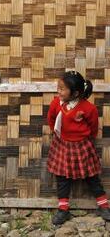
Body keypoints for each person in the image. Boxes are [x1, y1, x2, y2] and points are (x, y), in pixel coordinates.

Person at [47, 70, 110, 225]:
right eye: (58, 87)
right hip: (62, 144)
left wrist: (86, 140)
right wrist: (57, 134)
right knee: (62, 178)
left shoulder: (88, 108)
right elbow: (51, 118)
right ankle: (63, 210)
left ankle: (104, 206)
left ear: (75, 93)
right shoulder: (56, 103)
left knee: (91, 177)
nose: (58, 91)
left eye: (62, 89)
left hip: (82, 145)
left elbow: (93, 127)